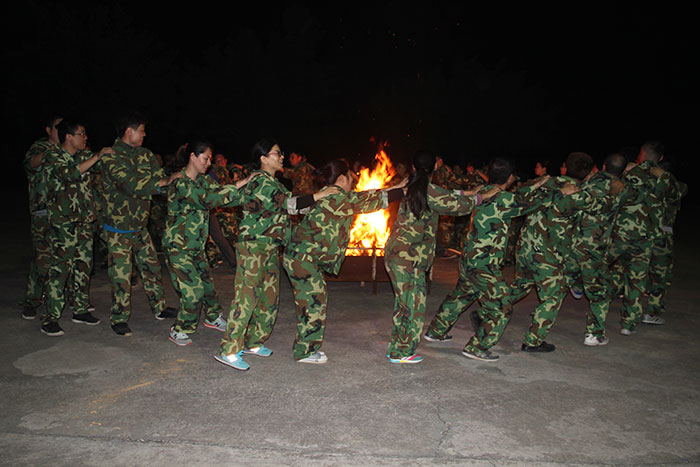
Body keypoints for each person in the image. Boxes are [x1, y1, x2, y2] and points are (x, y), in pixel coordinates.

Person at [215, 139, 338, 371]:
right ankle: (228, 349)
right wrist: (319, 196)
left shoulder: (275, 183)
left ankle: (253, 342)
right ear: (263, 158)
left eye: (282, 153)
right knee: (247, 297)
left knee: (269, 298)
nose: (282, 157)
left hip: (270, 246)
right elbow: (289, 205)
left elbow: (293, 208)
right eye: (277, 153)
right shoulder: (261, 181)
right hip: (253, 245)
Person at [425, 158, 555, 362]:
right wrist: (558, 192)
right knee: (502, 307)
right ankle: (477, 347)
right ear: (511, 178)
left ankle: (435, 331)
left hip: (469, 259)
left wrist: (536, 184)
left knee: (461, 296)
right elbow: (530, 203)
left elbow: (517, 196)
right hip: (484, 264)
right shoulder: (504, 199)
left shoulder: (483, 190)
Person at [284, 159, 405, 364]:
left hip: (301, 257)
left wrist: (395, 188)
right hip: (304, 259)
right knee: (314, 304)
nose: (354, 181)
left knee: (312, 301)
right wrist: (402, 192)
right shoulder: (337, 198)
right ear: (341, 179)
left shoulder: (326, 194)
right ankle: (305, 352)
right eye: (350, 177)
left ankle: (306, 347)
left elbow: (369, 196)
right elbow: (370, 199)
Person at [384, 150, 499, 364]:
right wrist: (482, 197)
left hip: (396, 254)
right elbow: (458, 206)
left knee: (405, 304)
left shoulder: (410, 184)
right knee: (414, 306)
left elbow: (446, 194)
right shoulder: (426, 189)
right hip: (410, 259)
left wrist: (469, 192)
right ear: (436, 166)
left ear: (413, 165)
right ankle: (402, 352)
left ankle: (397, 348)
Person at [164, 141, 255, 346]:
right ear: (193, 157)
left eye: (210, 159)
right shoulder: (180, 184)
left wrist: (250, 195)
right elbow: (208, 199)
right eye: (206, 158)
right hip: (179, 247)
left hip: (196, 246)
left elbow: (224, 196)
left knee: (208, 287)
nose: (209, 163)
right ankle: (179, 329)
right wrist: (244, 181)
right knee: (194, 291)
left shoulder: (203, 181)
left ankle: (213, 317)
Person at [100, 112, 181, 336]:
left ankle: (159, 307)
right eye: (142, 130)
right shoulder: (111, 156)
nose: (145, 134)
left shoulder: (146, 155)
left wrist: (177, 184)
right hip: (118, 229)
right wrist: (163, 182)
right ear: (129, 131)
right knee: (121, 276)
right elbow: (131, 185)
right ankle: (119, 317)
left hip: (139, 226)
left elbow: (159, 181)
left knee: (152, 268)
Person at [508, 152, 600, 352]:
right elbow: (601, 205)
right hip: (546, 253)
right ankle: (533, 341)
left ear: (564, 166)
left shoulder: (546, 182)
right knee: (552, 296)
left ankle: (486, 314)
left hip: (525, 247)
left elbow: (520, 192)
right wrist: (591, 181)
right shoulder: (579, 194)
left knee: (521, 285)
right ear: (587, 173)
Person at [39, 118, 113, 336]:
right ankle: (50, 317)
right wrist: (97, 156)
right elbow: (69, 174)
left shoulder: (83, 157)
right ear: (68, 136)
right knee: (60, 269)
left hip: (83, 222)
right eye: (81, 133)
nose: (85, 137)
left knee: (83, 266)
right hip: (63, 223)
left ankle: (80, 309)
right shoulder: (53, 156)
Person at [608, 141, 669, 335]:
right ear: (660, 158)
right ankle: (629, 324)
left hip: (621, 233)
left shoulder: (628, 171)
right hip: (645, 237)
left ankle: (592, 295)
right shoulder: (663, 178)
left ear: (640, 155)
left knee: (599, 265)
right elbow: (675, 196)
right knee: (636, 280)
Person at [572, 153, 628, 346]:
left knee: (552, 283)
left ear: (603, 165)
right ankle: (593, 334)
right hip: (593, 247)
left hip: (571, 242)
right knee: (599, 291)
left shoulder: (588, 180)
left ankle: (495, 311)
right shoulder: (619, 188)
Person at [20, 115, 62, 319]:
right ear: (48, 130)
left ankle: (60, 299)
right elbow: (31, 164)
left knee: (63, 259)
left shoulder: (68, 149)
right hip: (42, 212)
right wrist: (51, 151)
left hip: (62, 213)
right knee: (42, 259)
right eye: (57, 127)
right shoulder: (40, 147)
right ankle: (32, 300)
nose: (60, 130)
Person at [642, 151, 688, 324]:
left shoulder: (648, 182)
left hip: (644, 233)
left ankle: (632, 305)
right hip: (663, 234)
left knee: (637, 269)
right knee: (661, 274)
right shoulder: (677, 187)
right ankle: (652, 310)